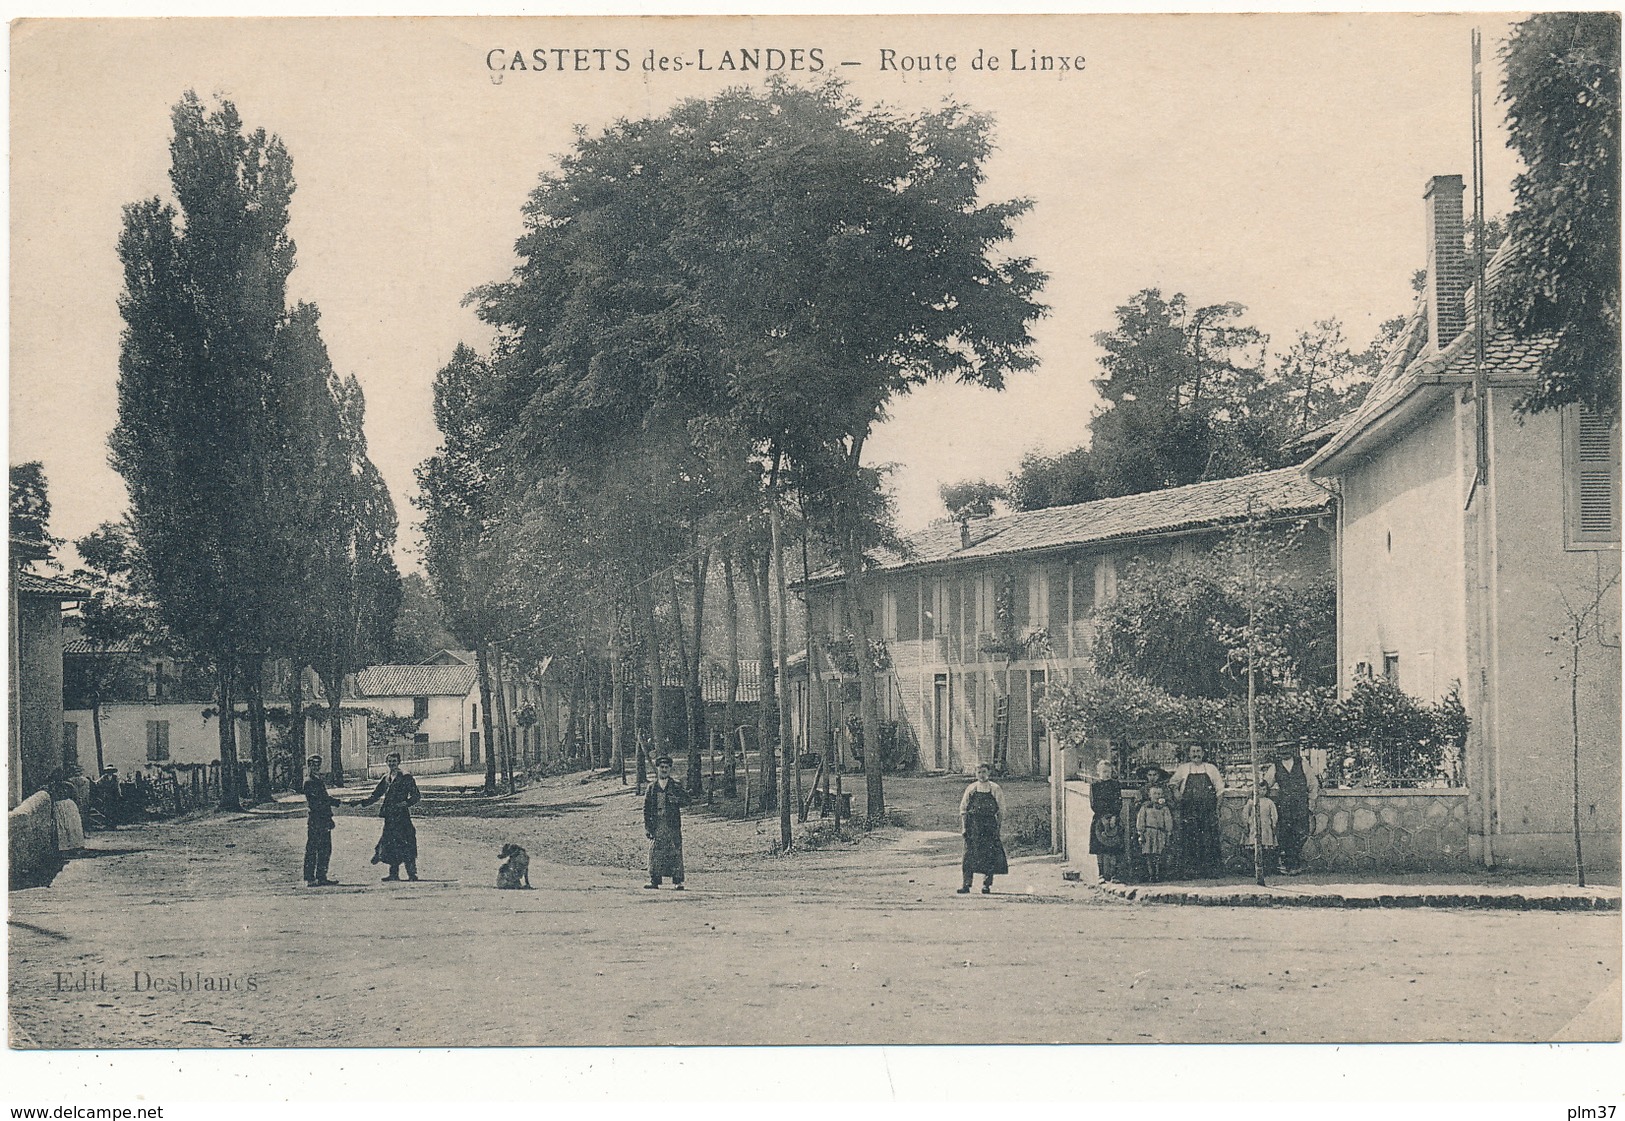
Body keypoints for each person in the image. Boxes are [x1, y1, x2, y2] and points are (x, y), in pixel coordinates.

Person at [359, 752, 421, 882]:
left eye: (394, 761)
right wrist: (361, 803)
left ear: (399, 762)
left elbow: (416, 795)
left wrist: (407, 803)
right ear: (386, 762)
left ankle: (412, 874)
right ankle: (393, 874)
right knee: (391, 843)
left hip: (402, 816)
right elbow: (375, 795)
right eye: (390, 761)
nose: (392, 764)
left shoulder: (406, 777)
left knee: (407, 842)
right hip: (390, 816)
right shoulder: (386, 778)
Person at [1263, 744, 1319, 875]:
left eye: (1286, 748)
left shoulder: (1302, 764)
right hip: (1284, 807)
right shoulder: (1275, 767)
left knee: (1301, 833)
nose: (1284, 751)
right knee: (1284, 835)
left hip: (1300, 805)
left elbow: (1313, 784)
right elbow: (1265, 783)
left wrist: (1311, 803)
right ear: (1278, 751)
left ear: (1292, 749)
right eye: (1281, 749)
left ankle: (1294, 862)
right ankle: (1289, 864)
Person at [1170, 745, 1225, 877]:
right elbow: (1172, 783)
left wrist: (1217, 808)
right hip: (1189, 810)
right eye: (1193, 751)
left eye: (1198, 751)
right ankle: (1190, 871)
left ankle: (1211, 871)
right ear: (1189, 754)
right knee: (1189, 839)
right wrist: (1176, 791)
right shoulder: (1183, 768)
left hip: (1207, 810)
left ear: (1203, 753)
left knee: (1209, 839)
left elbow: (1220, 790)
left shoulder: (1211, 768)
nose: (1196, 754)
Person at [957, 762, 1008, 894]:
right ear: (975, 774)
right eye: (979, 772)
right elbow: (963, 809)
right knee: (968, 855)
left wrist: (998, 827)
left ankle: (986, 884)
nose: (981, 775)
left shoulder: (994, 788)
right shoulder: (971, 788)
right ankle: (966, 884)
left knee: (989, 855)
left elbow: (1001, 810)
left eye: (984, 772)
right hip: (973, 826)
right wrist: (964, 827)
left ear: (989, 773)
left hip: (989, 826)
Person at [644, 755, 689, 889]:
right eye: (661, 767)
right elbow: (646, 809)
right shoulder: (652, 787)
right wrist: (648, 827)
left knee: (674, 851)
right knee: (655, 852)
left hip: (672, 824)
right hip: (657, 824)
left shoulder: (675, 785)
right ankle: (655, 880)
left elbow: (687, 800)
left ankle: (677, 881)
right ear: (657, 769)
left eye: (666, 767)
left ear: (670, 769)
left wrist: (677, 800)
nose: (664, 770)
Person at [302, 754, 344, 887]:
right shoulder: (309, 781)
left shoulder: (317, 780)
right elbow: (318, 802)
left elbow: (325, 798)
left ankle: (321, 876)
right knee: (313, 849)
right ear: (309, 765)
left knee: (325, 849)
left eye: (318, 765)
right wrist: (329, 812)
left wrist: (338, 802)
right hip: (316, 819)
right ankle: (310, 878)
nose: (316, 767)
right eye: (313, 764)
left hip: (323, 818)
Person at [1088, 758, 1125, 882]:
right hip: (1099, 818)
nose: (1106, 774)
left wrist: (1114, 816)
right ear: (1098, 772)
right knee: (1100, 848)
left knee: (1114, 847)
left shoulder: (1115, 785)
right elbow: (1094, 803)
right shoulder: (1094, 786)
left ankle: (1114, 875)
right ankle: (1101, 874)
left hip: (1114, 818)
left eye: (1108, 771)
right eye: (1103, 771)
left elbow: (1118, 802)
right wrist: (1102, 817)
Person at [1135, 785, 1175, 882]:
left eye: (1159, 794)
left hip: (1160, 832)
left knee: (1159, 854)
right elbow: (1141, 820)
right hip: (1148, 833)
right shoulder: (1145, 807)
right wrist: (1141, 833)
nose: (1157, 796)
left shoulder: (1164, 808)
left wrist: (1168, 832)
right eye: (1155, 794)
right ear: (1150, 795)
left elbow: (1168, 821)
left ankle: (1158, 874)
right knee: (1149, 854)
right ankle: (1150, 874)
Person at [1243, 783, 1280, 876]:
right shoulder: (1251, 802)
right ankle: (1253, 870)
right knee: (1253, 849)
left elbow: (1274, 815)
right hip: (1254, 827)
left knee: (1266, 850)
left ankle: (1266, 870)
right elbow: (1245, 814)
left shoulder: (1269, 802)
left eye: (1264, 789)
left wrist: (1274, 825)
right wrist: (1246, 824)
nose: (1262, 792)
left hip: (1266, 828)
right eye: (1260, 789)